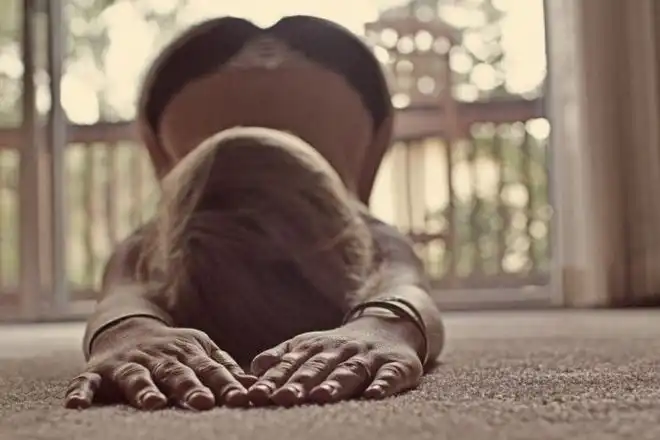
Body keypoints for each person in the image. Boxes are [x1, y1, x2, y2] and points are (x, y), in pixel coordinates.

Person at [64, 15, 445, 411]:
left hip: (230, 86)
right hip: (326, 83)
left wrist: (383, 326)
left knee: (178, 194)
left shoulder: (360, 228)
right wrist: (128, 331)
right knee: (351, 196)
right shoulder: (363, 225)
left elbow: (122, 290)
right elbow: (405, 283)